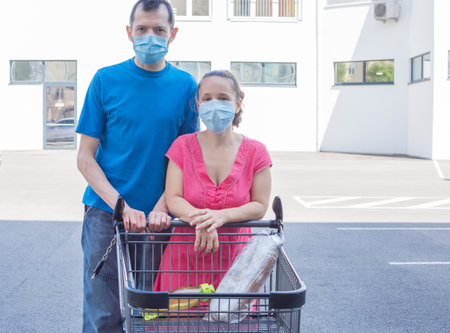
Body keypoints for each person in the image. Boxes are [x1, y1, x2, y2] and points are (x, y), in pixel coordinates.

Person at [75, 0, 199, 331]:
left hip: (159, 219)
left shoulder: (186, 86)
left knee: (152, 311)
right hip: (105, 215)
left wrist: (162, 207)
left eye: (159, 30)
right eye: (142, 29)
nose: (150, 37)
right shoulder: (105, 80)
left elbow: (186, 158)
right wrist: (120, 205)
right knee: (104, 313)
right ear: (129, 32)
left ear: (172, 34)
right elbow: (85, 157)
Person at [154, 70, 272, 292]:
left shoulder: (256, 152)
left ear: (237, 104)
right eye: (207, 99)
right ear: (198, 105)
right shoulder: (182, 146)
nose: (214, 104)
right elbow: (174, 198)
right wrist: (203, 223)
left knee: (233, 324)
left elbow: (259, 205)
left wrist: (220, 216)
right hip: (183, 264)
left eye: (223, 98)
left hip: (236, 267)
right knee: (179, 325)